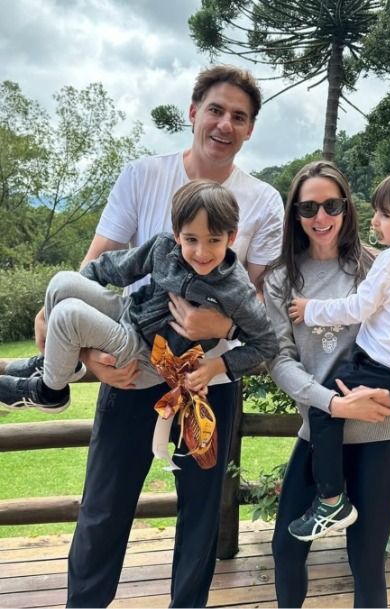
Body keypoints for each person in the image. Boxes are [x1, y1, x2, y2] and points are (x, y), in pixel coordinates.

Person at [25, 65, 284, 608]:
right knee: (104, 506)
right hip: (129, 364)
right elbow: (98, 265)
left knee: (201, 510)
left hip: (208, 382)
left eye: (239, 116)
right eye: (216, 109)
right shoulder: (143, 175)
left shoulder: (263, 201)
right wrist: (89, 354)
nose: (225, 124)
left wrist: (222, 327)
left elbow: (261, 302)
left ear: (250, 128)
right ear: (193, 113)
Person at [263, 160, 390, 608]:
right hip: (322, 428)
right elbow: (280, 359)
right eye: (308, 207)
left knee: (367, 561)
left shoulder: (382, 262)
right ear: (294, 213)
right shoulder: (281, 279)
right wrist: (332, 403)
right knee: (286, 549)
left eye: (332, 205)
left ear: (347, 207)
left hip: (384, 432)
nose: (321, 216)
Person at [0, 180, 278, 416]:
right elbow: (114, 267)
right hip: (129, 313)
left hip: (148, 356)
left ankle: (51, 393)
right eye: (191, 239)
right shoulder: (164, 247)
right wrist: (86, 288)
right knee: (62, 282)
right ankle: (61, 363)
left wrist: (216, 365)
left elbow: (266, 343)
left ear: (231, 237)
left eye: (214, 240)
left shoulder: (236, 290)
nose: (201, 252)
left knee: (67, 314)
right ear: (176, 234)